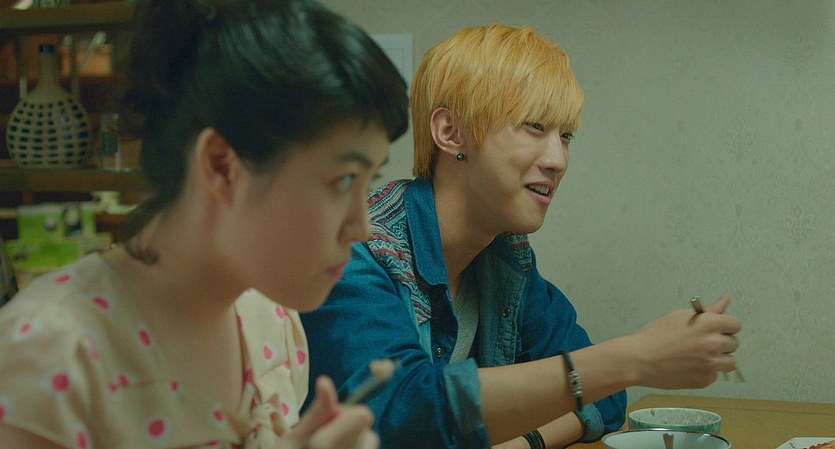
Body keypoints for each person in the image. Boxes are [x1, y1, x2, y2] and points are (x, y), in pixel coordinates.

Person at [299, 23, 742, 449]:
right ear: (451, 132)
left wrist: (527, 441)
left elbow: (605, 396)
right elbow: (401, 415)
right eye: (534, 127)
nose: (557, 160)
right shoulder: (359, 247)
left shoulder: (505, 254)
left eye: (565, 135)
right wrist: (631, 358)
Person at [0, 0, 408, 448]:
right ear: (221, 165)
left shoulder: (270, 319)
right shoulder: (50, 351)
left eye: (370, 180)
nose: (363, 228)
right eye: (343, 179)